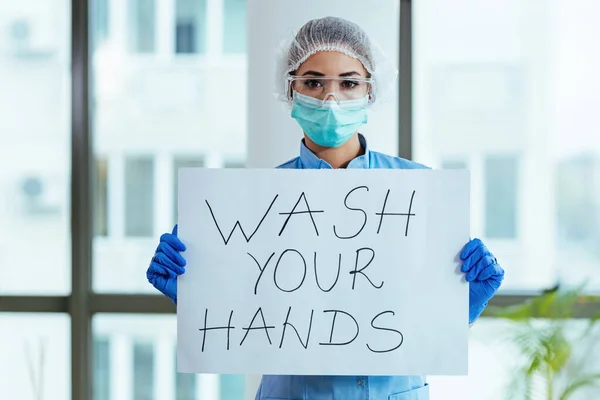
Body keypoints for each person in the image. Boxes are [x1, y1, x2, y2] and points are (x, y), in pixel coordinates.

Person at [147, 16, 505, 400]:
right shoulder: (251, 205)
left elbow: (421, 321)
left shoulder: (419, 192)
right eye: (313, 82)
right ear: (291, 90)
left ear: (370, 91)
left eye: (349, 82)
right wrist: (197, 294)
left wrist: (461, 306)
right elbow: (249, 316)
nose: (330, 98)